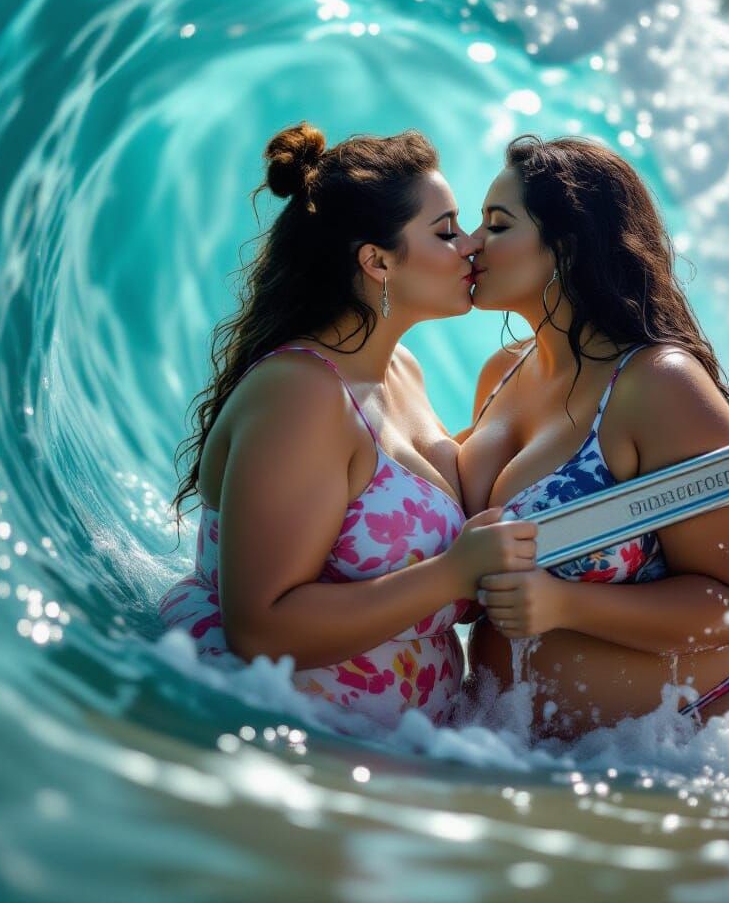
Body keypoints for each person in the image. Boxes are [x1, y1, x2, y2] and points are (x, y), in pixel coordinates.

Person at [160, 122, 537, 729]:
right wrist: (452, 573)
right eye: (446, 231)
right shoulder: (301, 395)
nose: (470, 245)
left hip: (393, 760)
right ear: (378, 261)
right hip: (285, 745)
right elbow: (261, 629)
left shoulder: (399, 370)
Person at [456, 135, 729, 745]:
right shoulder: (502, 373)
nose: (471, 243)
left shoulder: (659, 385)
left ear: (566, 246)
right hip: (544, 760)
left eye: (496, 225)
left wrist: (564, 605)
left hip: (723, 729)